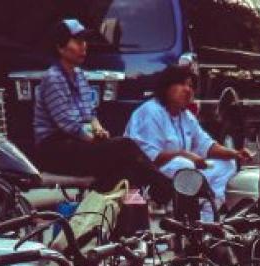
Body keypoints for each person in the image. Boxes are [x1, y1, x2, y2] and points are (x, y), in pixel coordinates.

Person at [32, 19, 174, 203]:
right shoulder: (53, 78)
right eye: (78, 41)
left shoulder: (79, 75)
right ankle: (168, 190)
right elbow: (68, 124)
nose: (84, 46)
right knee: (125, 146)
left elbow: (90, 115)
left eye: (85, 41)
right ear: (60, 47)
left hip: (77, 143)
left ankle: (116, 222)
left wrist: (99, 130)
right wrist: (94, 140)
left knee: (124, 170)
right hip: (55, 149)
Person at [125, 66, 251, 216]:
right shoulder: (150, 112)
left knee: (226, 164)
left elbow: (207, 146)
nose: (187, 90)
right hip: (149, 178)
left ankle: (208, 215)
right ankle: (179, 210)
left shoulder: (185, 116)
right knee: (184, 164)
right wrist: (184, 154)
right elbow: (148, 160)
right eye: (182, 84)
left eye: (190, 86)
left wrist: (236, 154)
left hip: (183, 173)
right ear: (166, 87)